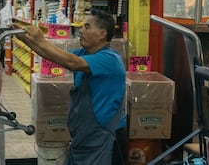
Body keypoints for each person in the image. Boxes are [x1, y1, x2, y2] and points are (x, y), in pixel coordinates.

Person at [14, 9, 127, 165]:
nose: (80, 31)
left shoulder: (110, 59)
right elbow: (54, 55)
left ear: (102, 34)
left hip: (101, 140)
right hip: (83, 138)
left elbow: (71, 62)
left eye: (87, 27)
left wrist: (39, 38)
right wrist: (25, 38)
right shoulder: (85, 53)